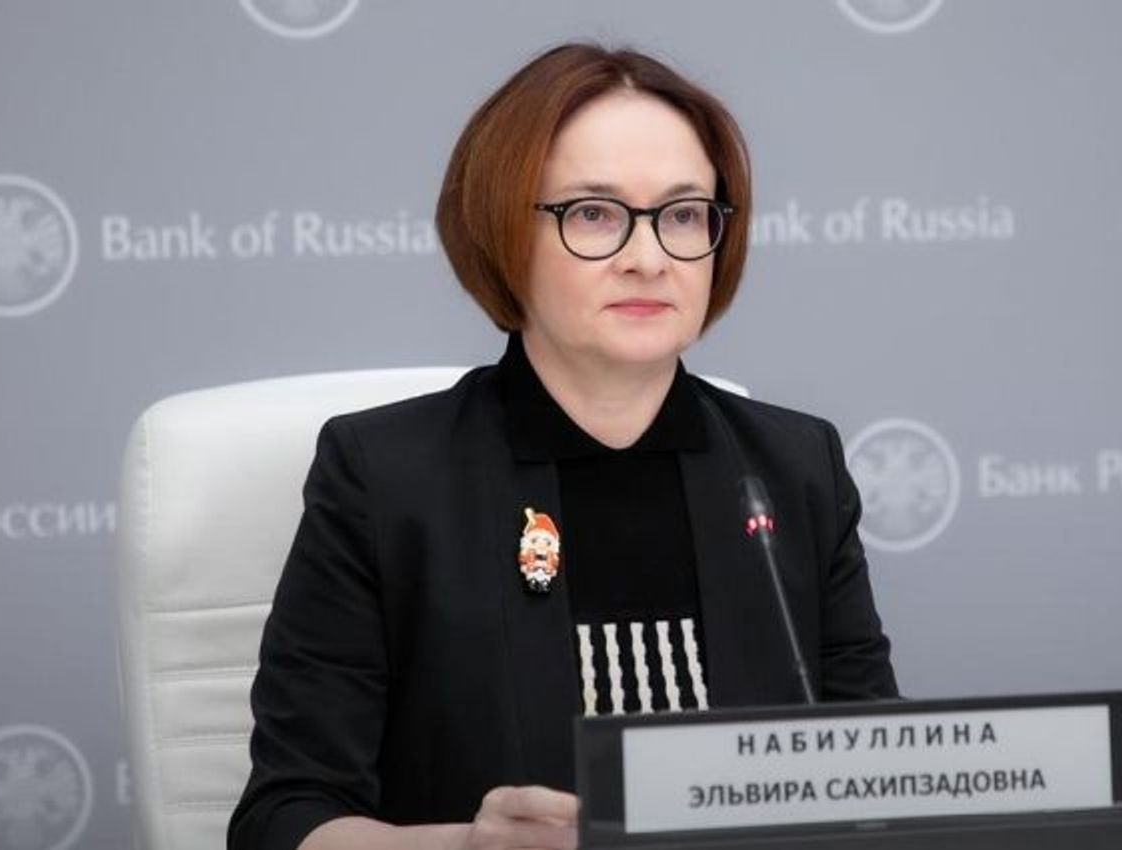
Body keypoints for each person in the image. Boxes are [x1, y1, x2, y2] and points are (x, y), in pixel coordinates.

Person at [228, 42, 897, 850]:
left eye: (684, 215)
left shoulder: (794, 469)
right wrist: (463, 848)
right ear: (504, 231)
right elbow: (283, 820)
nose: (648, 258)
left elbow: (877, 783)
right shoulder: (385, 479)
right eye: (593, 214)